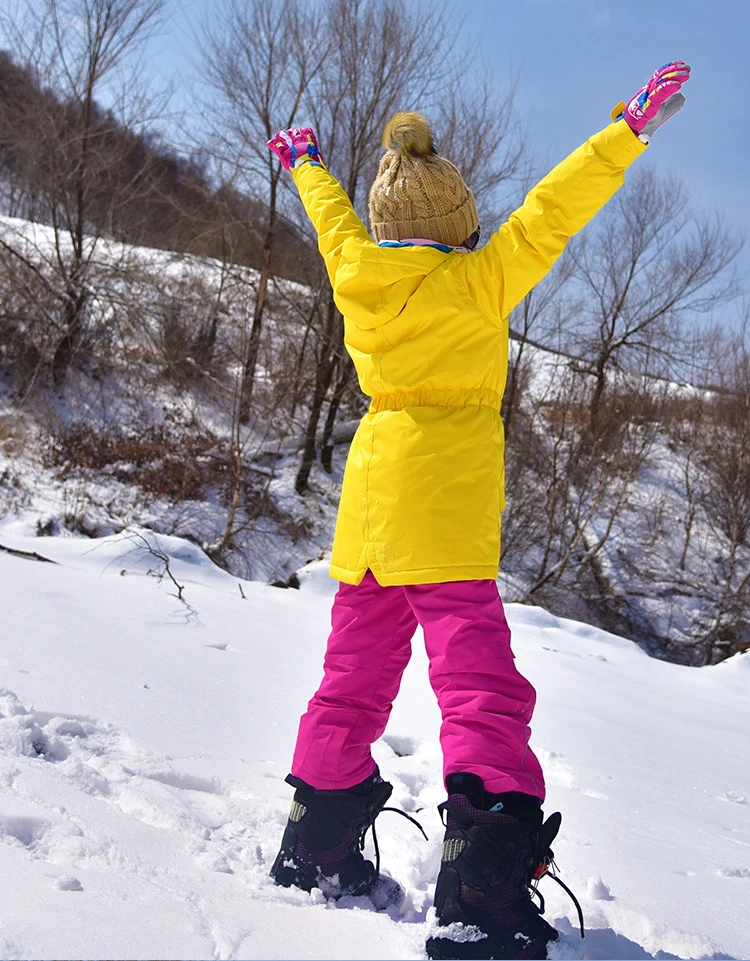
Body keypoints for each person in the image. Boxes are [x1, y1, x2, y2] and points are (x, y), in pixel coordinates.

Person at [266, 61, 691, 960]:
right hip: (445, 516)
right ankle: (482, 887)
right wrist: (627, 130)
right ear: (459, 222)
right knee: (479, 687)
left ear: (387, 226)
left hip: (371, 512)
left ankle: (314, 847)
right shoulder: (479, 279)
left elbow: (333, 217)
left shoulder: (357, 273)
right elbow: (551, 209)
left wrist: (303, 159)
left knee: (351, 677)